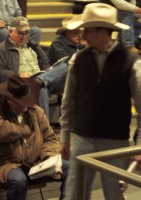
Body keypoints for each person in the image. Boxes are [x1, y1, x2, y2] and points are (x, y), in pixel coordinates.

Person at [59, 3, 141, 200]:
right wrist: (64, 137)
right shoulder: (77, 60)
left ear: (103, 31)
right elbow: (68, 102)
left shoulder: (131, 63)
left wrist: (140, 145)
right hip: (83, 139)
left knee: (113, 194)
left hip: (115, 141)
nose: (82, 34)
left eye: (87, 29)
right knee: (74, 195)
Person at [0, 75, 68, 200]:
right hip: (5, 164)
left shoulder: (35, 111)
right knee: (18, 180)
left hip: (36, 163)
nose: (25, 106)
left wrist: (48, 157)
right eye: (22, 103)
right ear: (9, 100)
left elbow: (49, 138)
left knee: (71, 169)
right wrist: (22, 130)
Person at [0, 16, 68, 118]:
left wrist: (47, 71)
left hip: (42, 78)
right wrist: (18, 75)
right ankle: (44, 127)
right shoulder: (2, 49)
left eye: (26, 33)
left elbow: (45, 64)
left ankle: (40, 80)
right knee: (40, 88)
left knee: (64, 66)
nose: (24, 36)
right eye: (20, 33)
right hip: (22, 83)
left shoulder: (33, 46)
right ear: (10, 32)